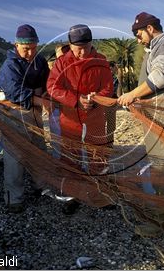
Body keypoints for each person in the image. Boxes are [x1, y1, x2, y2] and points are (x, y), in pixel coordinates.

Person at [117, 12, 164, 237]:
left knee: (163, 164)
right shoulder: (155, 48)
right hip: (159, 113)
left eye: (139, 34)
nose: (138, 40)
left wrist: (131, 94)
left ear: (149, 28)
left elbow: (161, 76)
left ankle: (160, 222)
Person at [46, 24, 114, 212]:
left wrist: (95, 98)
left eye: (86, 48)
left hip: (96, 116)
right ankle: (70, 196)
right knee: (69, 157)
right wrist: (76, 100)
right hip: (70, 118)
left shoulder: (101, 61)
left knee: (98, 155)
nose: (82, 53)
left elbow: (108, 87)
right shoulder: (61, 63)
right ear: (70, 45)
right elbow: (52, 87)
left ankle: (101, 195)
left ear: (92, 44)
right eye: (78, 49)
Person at [0, 24, 49, 213]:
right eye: (26, 49)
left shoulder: (40, 61)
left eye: (33, 48)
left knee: (39, 150)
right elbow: (14, 92)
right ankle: (14, 198)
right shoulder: (9, 65)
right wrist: (40, 99)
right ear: (16, 45)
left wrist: (47, 95)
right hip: (14, 113)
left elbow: (47, 83)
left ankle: (42, 186)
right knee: (14, 155)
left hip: (35, 113)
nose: (30, 53)